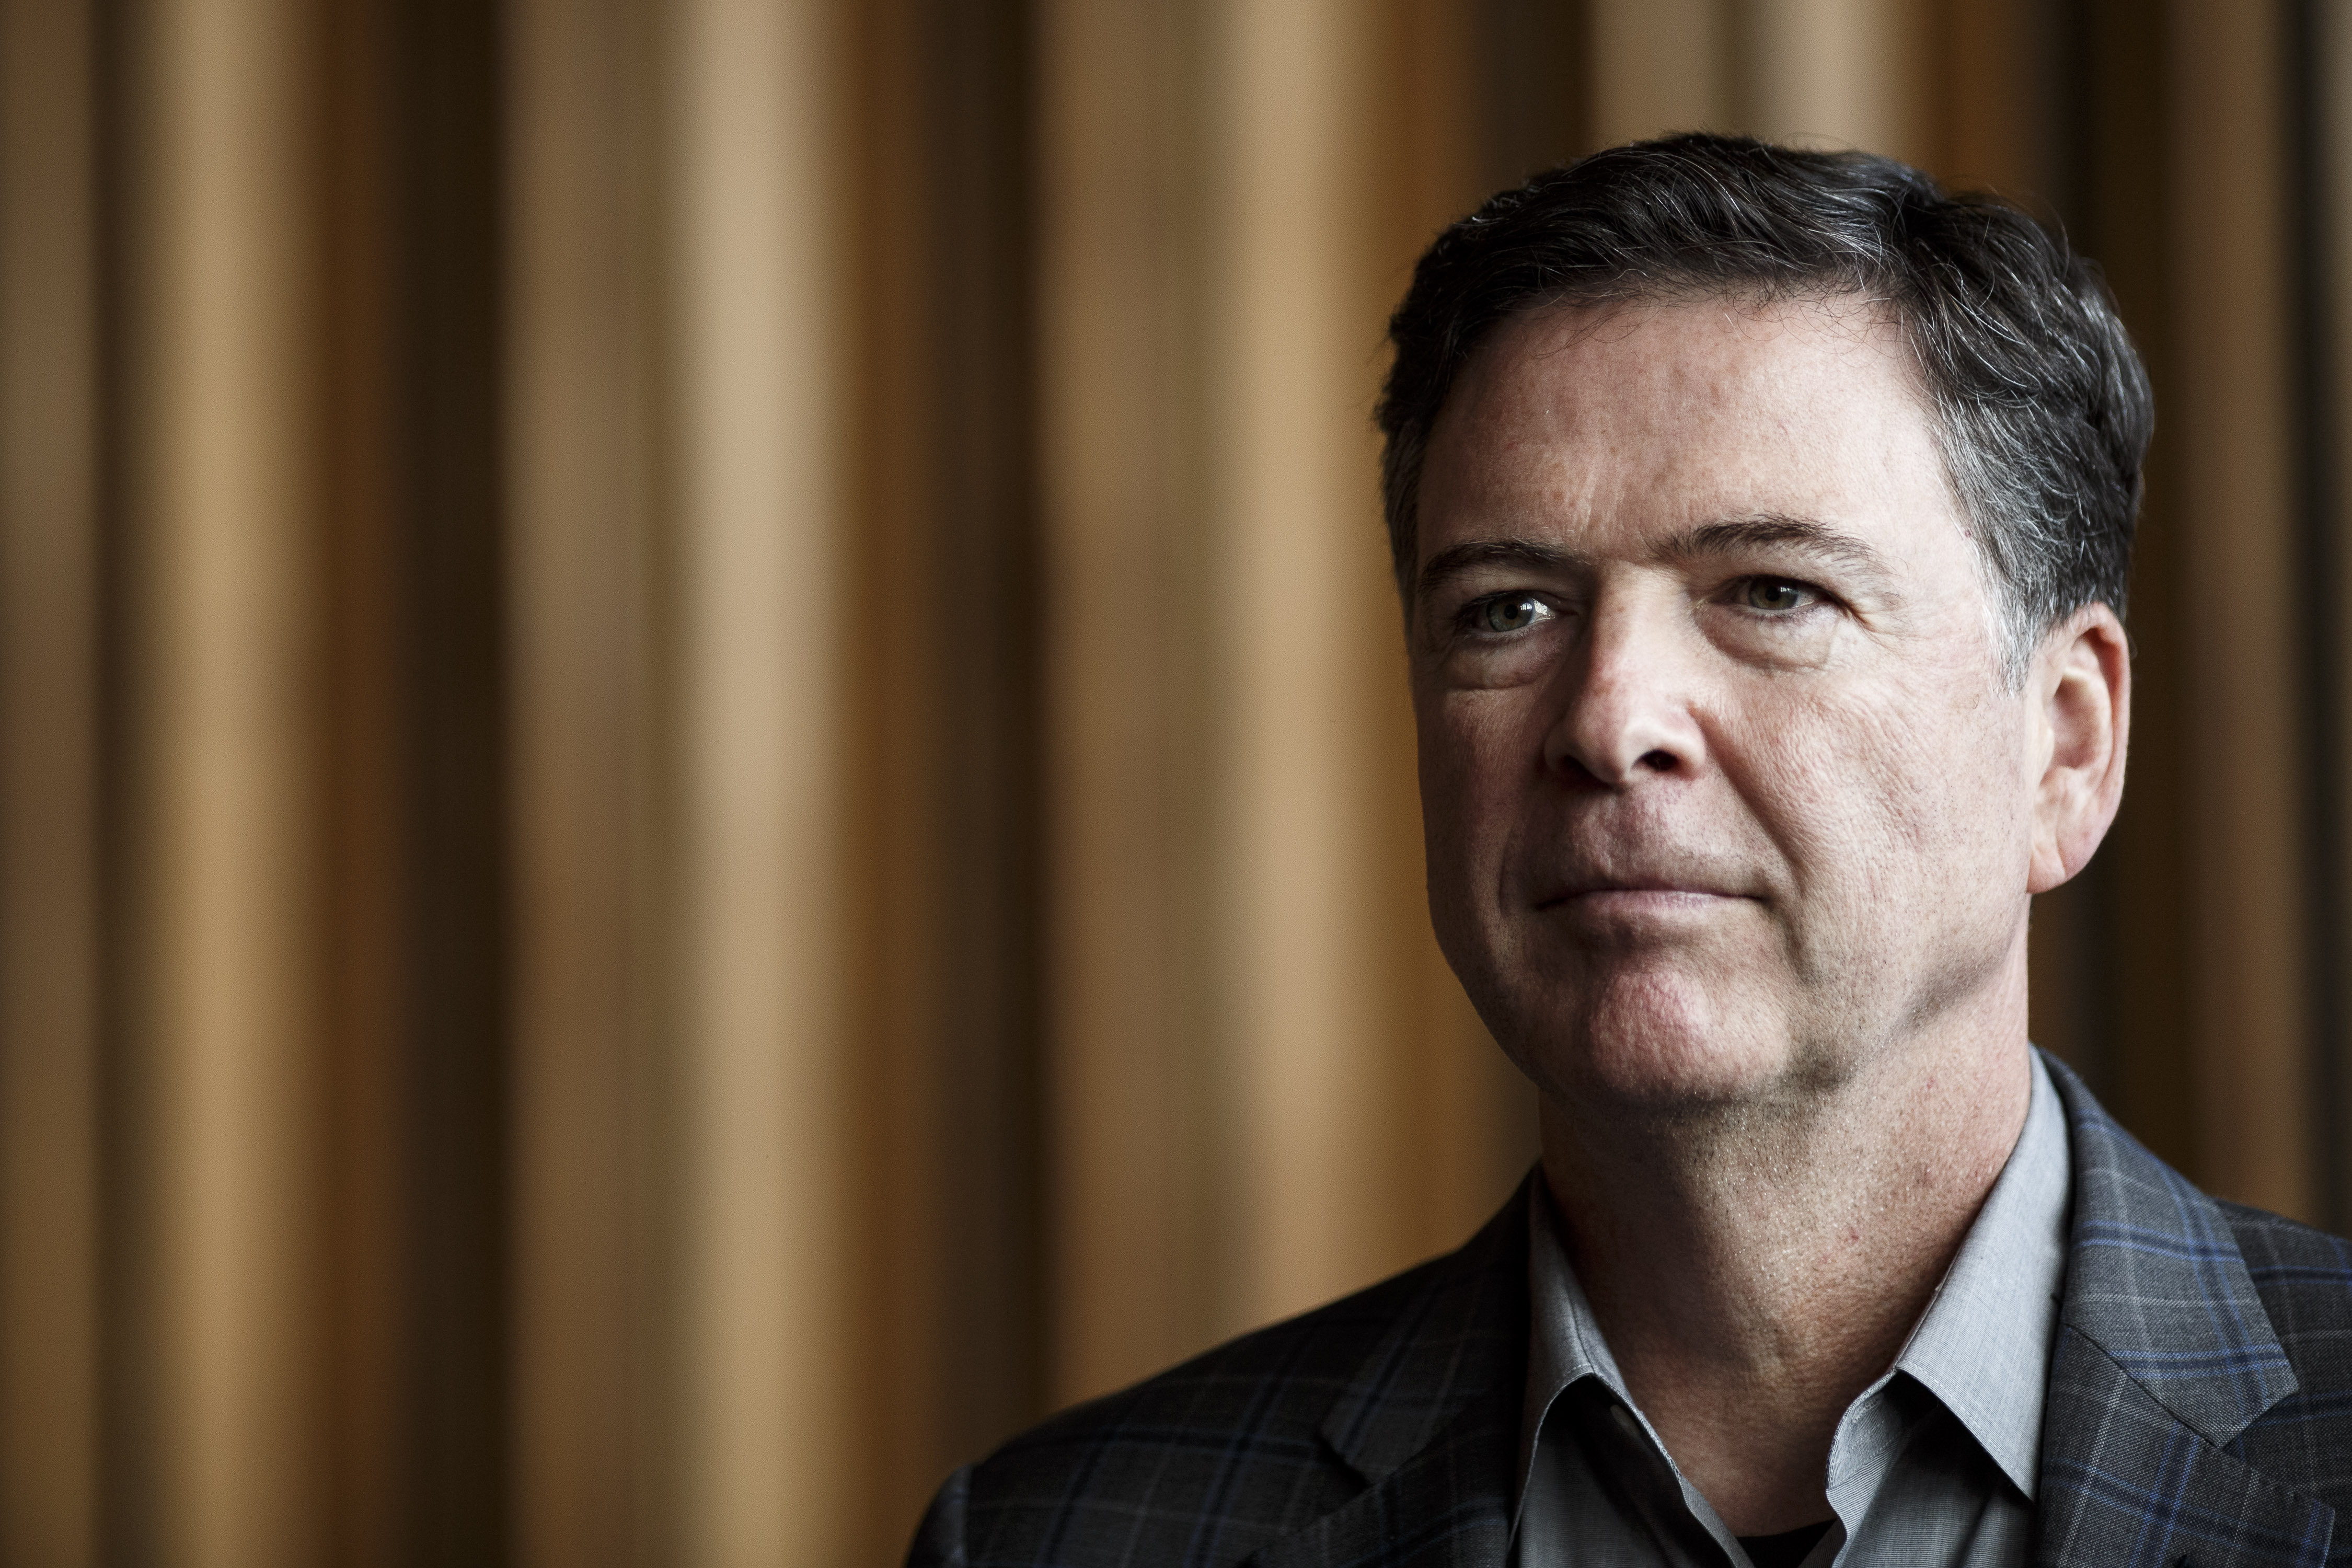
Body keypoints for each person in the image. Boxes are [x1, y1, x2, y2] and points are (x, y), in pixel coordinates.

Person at [906, 134, 2352, 1567]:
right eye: (1505, 612)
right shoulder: (1058, 1538)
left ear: (2063, 746)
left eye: (1771, 592)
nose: (1607, 719)